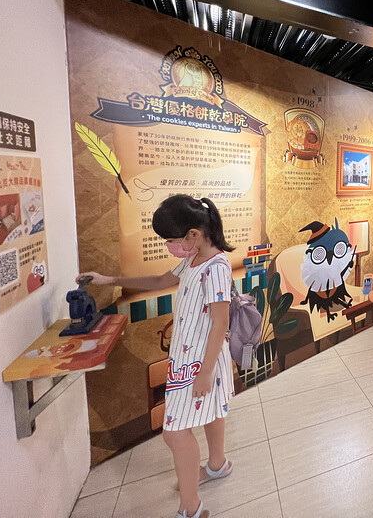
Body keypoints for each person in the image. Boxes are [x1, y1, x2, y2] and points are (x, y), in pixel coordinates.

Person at [78, 195, 236, 518]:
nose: (169, 246)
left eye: (172, 240)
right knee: (208, 413)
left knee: (174, 433)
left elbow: (221, 322)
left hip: (201, 363)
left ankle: (191, 508)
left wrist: (205, 373)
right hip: (190, 358)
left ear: (193, 234)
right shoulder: (192, 258)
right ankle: (217, 465)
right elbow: (160, 280)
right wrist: (111, 280)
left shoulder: (216, 268)